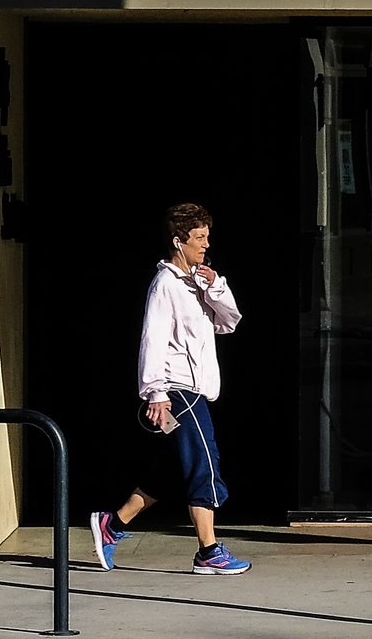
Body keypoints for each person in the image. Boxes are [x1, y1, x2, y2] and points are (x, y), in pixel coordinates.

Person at [89, 202, 248, 574]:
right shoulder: (165, 285)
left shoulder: (197, 283)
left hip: (195, 390)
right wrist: (155, 392)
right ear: (179, 241)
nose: (206, 245)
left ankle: (110, 525)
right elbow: (153, 340)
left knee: (173, 470)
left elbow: (230, 323)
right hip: (178, 391)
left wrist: (215, 288)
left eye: (207, 237)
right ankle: (209, 553)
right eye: (199, 238)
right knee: (205, 466)